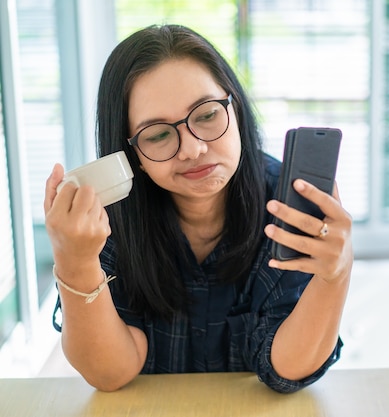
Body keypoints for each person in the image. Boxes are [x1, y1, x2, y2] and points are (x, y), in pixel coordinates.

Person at [43, 24, 352, 393]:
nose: (192, 149)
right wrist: (74, 261)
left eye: (206, 115)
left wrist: (336, 274)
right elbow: (112, 372)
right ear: (132, 156)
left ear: (233, 107)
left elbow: (286, 369)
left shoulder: (286, 204)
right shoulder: (108, 218)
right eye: (157, 134)